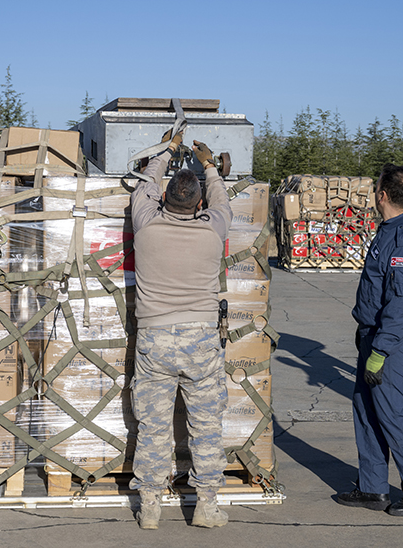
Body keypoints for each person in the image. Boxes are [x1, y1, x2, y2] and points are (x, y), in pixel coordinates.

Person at [129, 131, 232, 529]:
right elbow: (221, 199)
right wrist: (208, 165)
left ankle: (151, 508)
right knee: (205, 425)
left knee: (153, 426)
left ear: (165, 199)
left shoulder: (146, 224)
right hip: (201, 340)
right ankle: (205, 506)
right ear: (199, 203)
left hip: (155, 339)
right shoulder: (212, 229)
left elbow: (145, 185)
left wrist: (167, 151)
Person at [337, 164, 403, 516]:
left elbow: (401, 305)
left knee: (393, 415)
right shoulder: (391, 229)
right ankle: (373, 487)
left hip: (391, 344)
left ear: (382, 195)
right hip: (374, 335)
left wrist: (380, 351)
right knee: (367, 410)